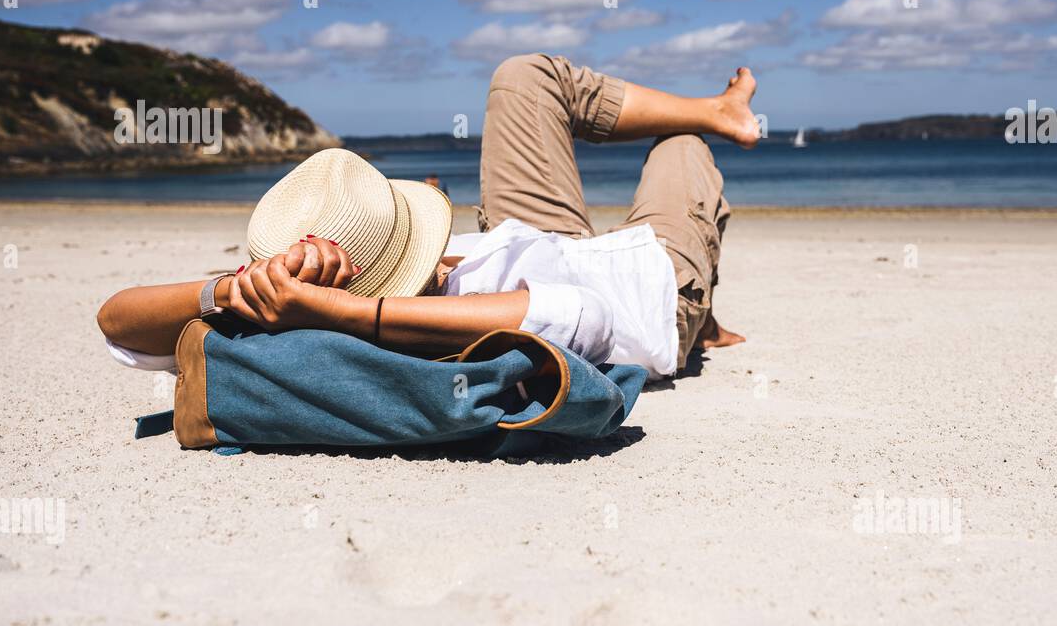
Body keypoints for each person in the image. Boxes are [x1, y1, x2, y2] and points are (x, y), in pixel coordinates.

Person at [97, 54, 756, 381]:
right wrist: (341, 314)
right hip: (650, 286)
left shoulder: (292, 298)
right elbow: (585, 315)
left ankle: (710, 106)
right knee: (680, 151)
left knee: (524, 77)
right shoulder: (376, 322)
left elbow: (117, 321)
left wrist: (238, 290)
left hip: (520, 240)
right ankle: (708, 136)